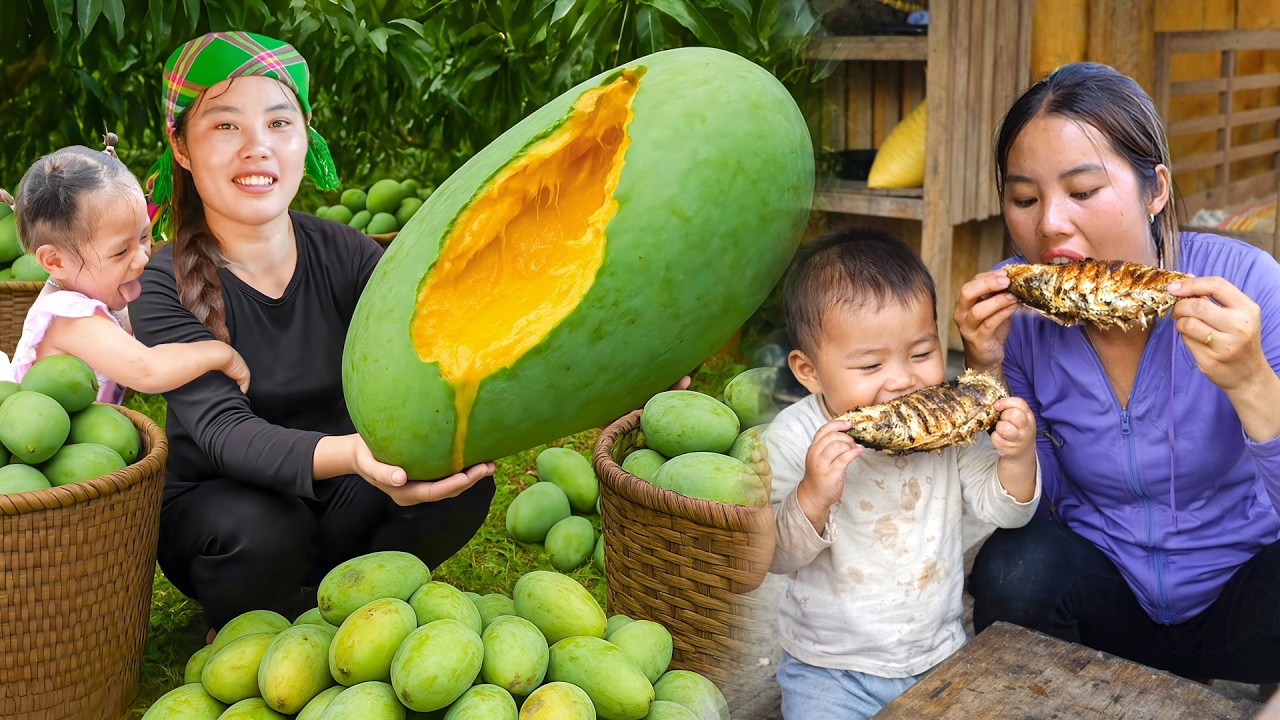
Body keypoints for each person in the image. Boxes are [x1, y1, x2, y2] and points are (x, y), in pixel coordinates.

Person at [129, 32, 496, 632]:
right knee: (264, 530)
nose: (257, 148)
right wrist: (357, 454)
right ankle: (253, 611)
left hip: (349, 495)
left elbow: (438, 346)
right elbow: (225, 434)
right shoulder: (161, 280)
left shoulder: (347, 253)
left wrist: (604, 372)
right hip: (227, 510)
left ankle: (351, 600)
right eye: (225, 127)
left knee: (462, 477)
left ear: (305, 137)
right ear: (182, 146)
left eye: (278, 123)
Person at [954, 61, 1280, 684]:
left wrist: (1252, 382)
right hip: (1111, 604)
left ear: (1154, 190)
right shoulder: (1016, 323)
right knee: (1012, 567)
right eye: (1024, 198)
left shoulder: (1246, 288)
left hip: (1244, 602)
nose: (1049, 223)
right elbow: (1023, 509)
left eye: (1082, 192)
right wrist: (984, 375)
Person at [765, 227, 1041, 720]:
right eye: (870, 365)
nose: (901, 381)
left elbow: (1004, 511)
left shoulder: (945, 428)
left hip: (938, 657)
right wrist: (811, 496)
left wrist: (1017, 456)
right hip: (830, 671)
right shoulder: (793, 437)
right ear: (809, 371)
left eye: (921, 354)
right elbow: (776, 556)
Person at [5, 139, 250, 399]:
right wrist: (221, 354)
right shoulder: (68, 316)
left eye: (144, 237)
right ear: (56, 262)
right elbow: (147, 370)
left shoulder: (95, 294)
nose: (142, 258)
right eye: (121, 251)